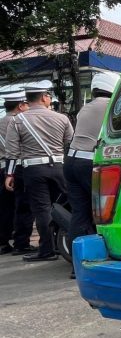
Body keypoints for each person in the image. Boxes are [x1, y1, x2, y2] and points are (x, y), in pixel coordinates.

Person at [4, 81, 73, 262]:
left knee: (42, 210)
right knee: (65, 206)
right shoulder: (62, 118)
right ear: (43, 97)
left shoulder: (18, 120)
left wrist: (10, 175)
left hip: (33, 170)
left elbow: (12, 151)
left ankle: (47, 250)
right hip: (59, 167)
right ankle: (65, 244)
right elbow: (70, 143)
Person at [65, 72, 118, 278]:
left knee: (80, 214)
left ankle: (76, 266)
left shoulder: (84, 109)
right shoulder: (112, 106)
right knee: (104, 211)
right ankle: (110, 258)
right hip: (89, 163)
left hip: (71, 162)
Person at [0, 90, 36, 255]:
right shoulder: (18, 122)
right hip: (15, 168)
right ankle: (21, 242)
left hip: (2, 168)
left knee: (4, 208)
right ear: (20, 106)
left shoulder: (1, 121)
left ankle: (3, 242)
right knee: (23, 207)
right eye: (27, 104)